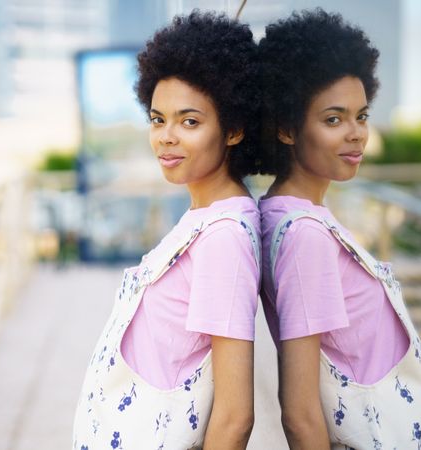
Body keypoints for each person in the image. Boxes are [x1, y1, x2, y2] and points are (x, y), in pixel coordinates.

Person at [257, 9, 421, 449]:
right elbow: (300, 413)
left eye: (361, 116)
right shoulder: (305, 235)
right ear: (287, 127)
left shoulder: (284, 214)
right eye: (333, 119)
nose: (356, 134)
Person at [72, 11, 261, 450]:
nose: (166, 138)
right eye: (158, 119)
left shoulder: (223, 238)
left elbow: (236, 416)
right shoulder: (205, 217)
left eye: (189, 122)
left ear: (233, 129)